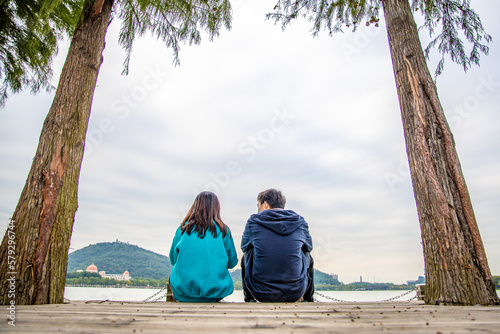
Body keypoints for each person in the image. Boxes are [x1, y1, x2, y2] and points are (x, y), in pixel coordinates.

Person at [241, 188, 314, 302]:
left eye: (258, 206)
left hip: (260, 293)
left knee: (248, 252)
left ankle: (249, 298)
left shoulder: (253, 222)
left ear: (265, 205)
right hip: (295, 292)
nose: (258, 210)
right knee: (306, 252)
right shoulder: (300, 222)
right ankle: (308, 298)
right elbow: (309, 247)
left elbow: (244, 247)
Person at [168, 191, 238, 302]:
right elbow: (232, 262)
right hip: (215, 294)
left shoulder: (182, 229)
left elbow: (173, 259)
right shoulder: (224, 231)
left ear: (195, 206)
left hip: (183, 293)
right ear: (216, 208)